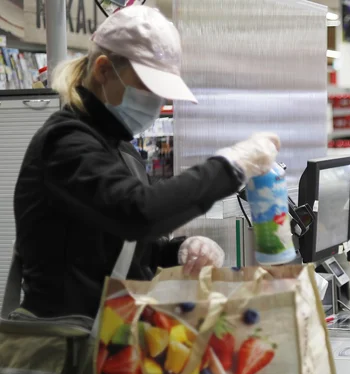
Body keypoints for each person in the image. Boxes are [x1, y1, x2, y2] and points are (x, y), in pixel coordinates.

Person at [13, 6, 278, 319]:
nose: (157, 103)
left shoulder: (118, 147)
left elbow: (115, 243)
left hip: (110, 337)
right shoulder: (65, 143)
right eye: (148, 88)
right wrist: (230, 165)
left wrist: (176, 251)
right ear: (103, 71)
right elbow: (139, 213)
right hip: (67, 347)